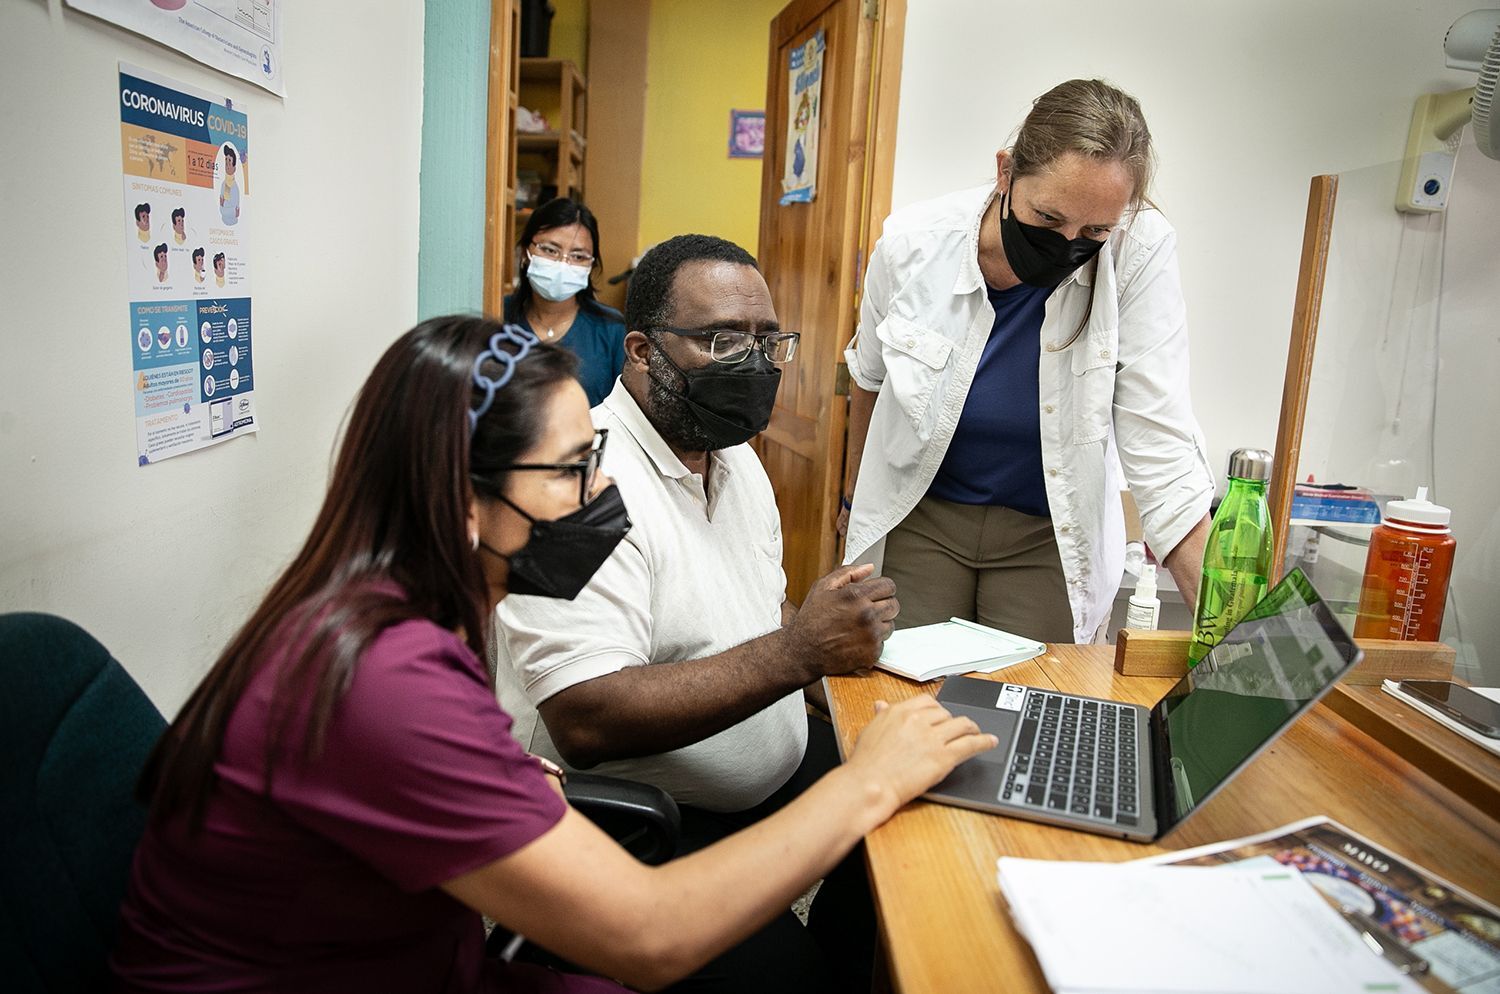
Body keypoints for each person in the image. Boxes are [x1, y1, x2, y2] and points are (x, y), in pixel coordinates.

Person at [110, 315, 996, 993]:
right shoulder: (380, 679)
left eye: (597, 456)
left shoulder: (397, 606)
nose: (601, 490)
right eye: (572, 469)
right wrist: (867, 778)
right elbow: (650, 937)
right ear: (465, 501)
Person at [496, 235, 896, 993]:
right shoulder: (580, 483)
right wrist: (803, 651)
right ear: (643, 351)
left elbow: (759, 609)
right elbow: (585, 718)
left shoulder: (733, 456)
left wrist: (857, 675)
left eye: (766, 341)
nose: (754, 364)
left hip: (764, 775)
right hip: (638, 825)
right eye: (721, 340)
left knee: (905, 833)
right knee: (792, 980)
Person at [838, 78, 1215, 645]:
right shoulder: (913, 243)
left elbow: (1159, 444)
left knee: (1029, 711)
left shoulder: (1140, 249)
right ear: (1005, 172)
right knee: (906, 699)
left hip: (1047, 534)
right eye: (1048, 218)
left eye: (1094, 231)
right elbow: (868, 379)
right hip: (924, 516)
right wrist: (850, 501)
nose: (1067, 246)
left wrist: (1232, 629)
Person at [504, 197, 626, 406]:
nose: (563, 264)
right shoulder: (499, 315)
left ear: (590, 265)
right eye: (550, 250)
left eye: (578, 256)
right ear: (525, 252)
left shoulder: (611, 329)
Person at [219, 144, 240, 226]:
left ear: (234, 167)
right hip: (223, 219)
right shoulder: (223, 184)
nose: (227, 163)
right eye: (226, 160)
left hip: (233, 221)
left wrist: (225, 208)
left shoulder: (235, 188)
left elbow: (236, 212)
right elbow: (221, 206)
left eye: (229, 161)